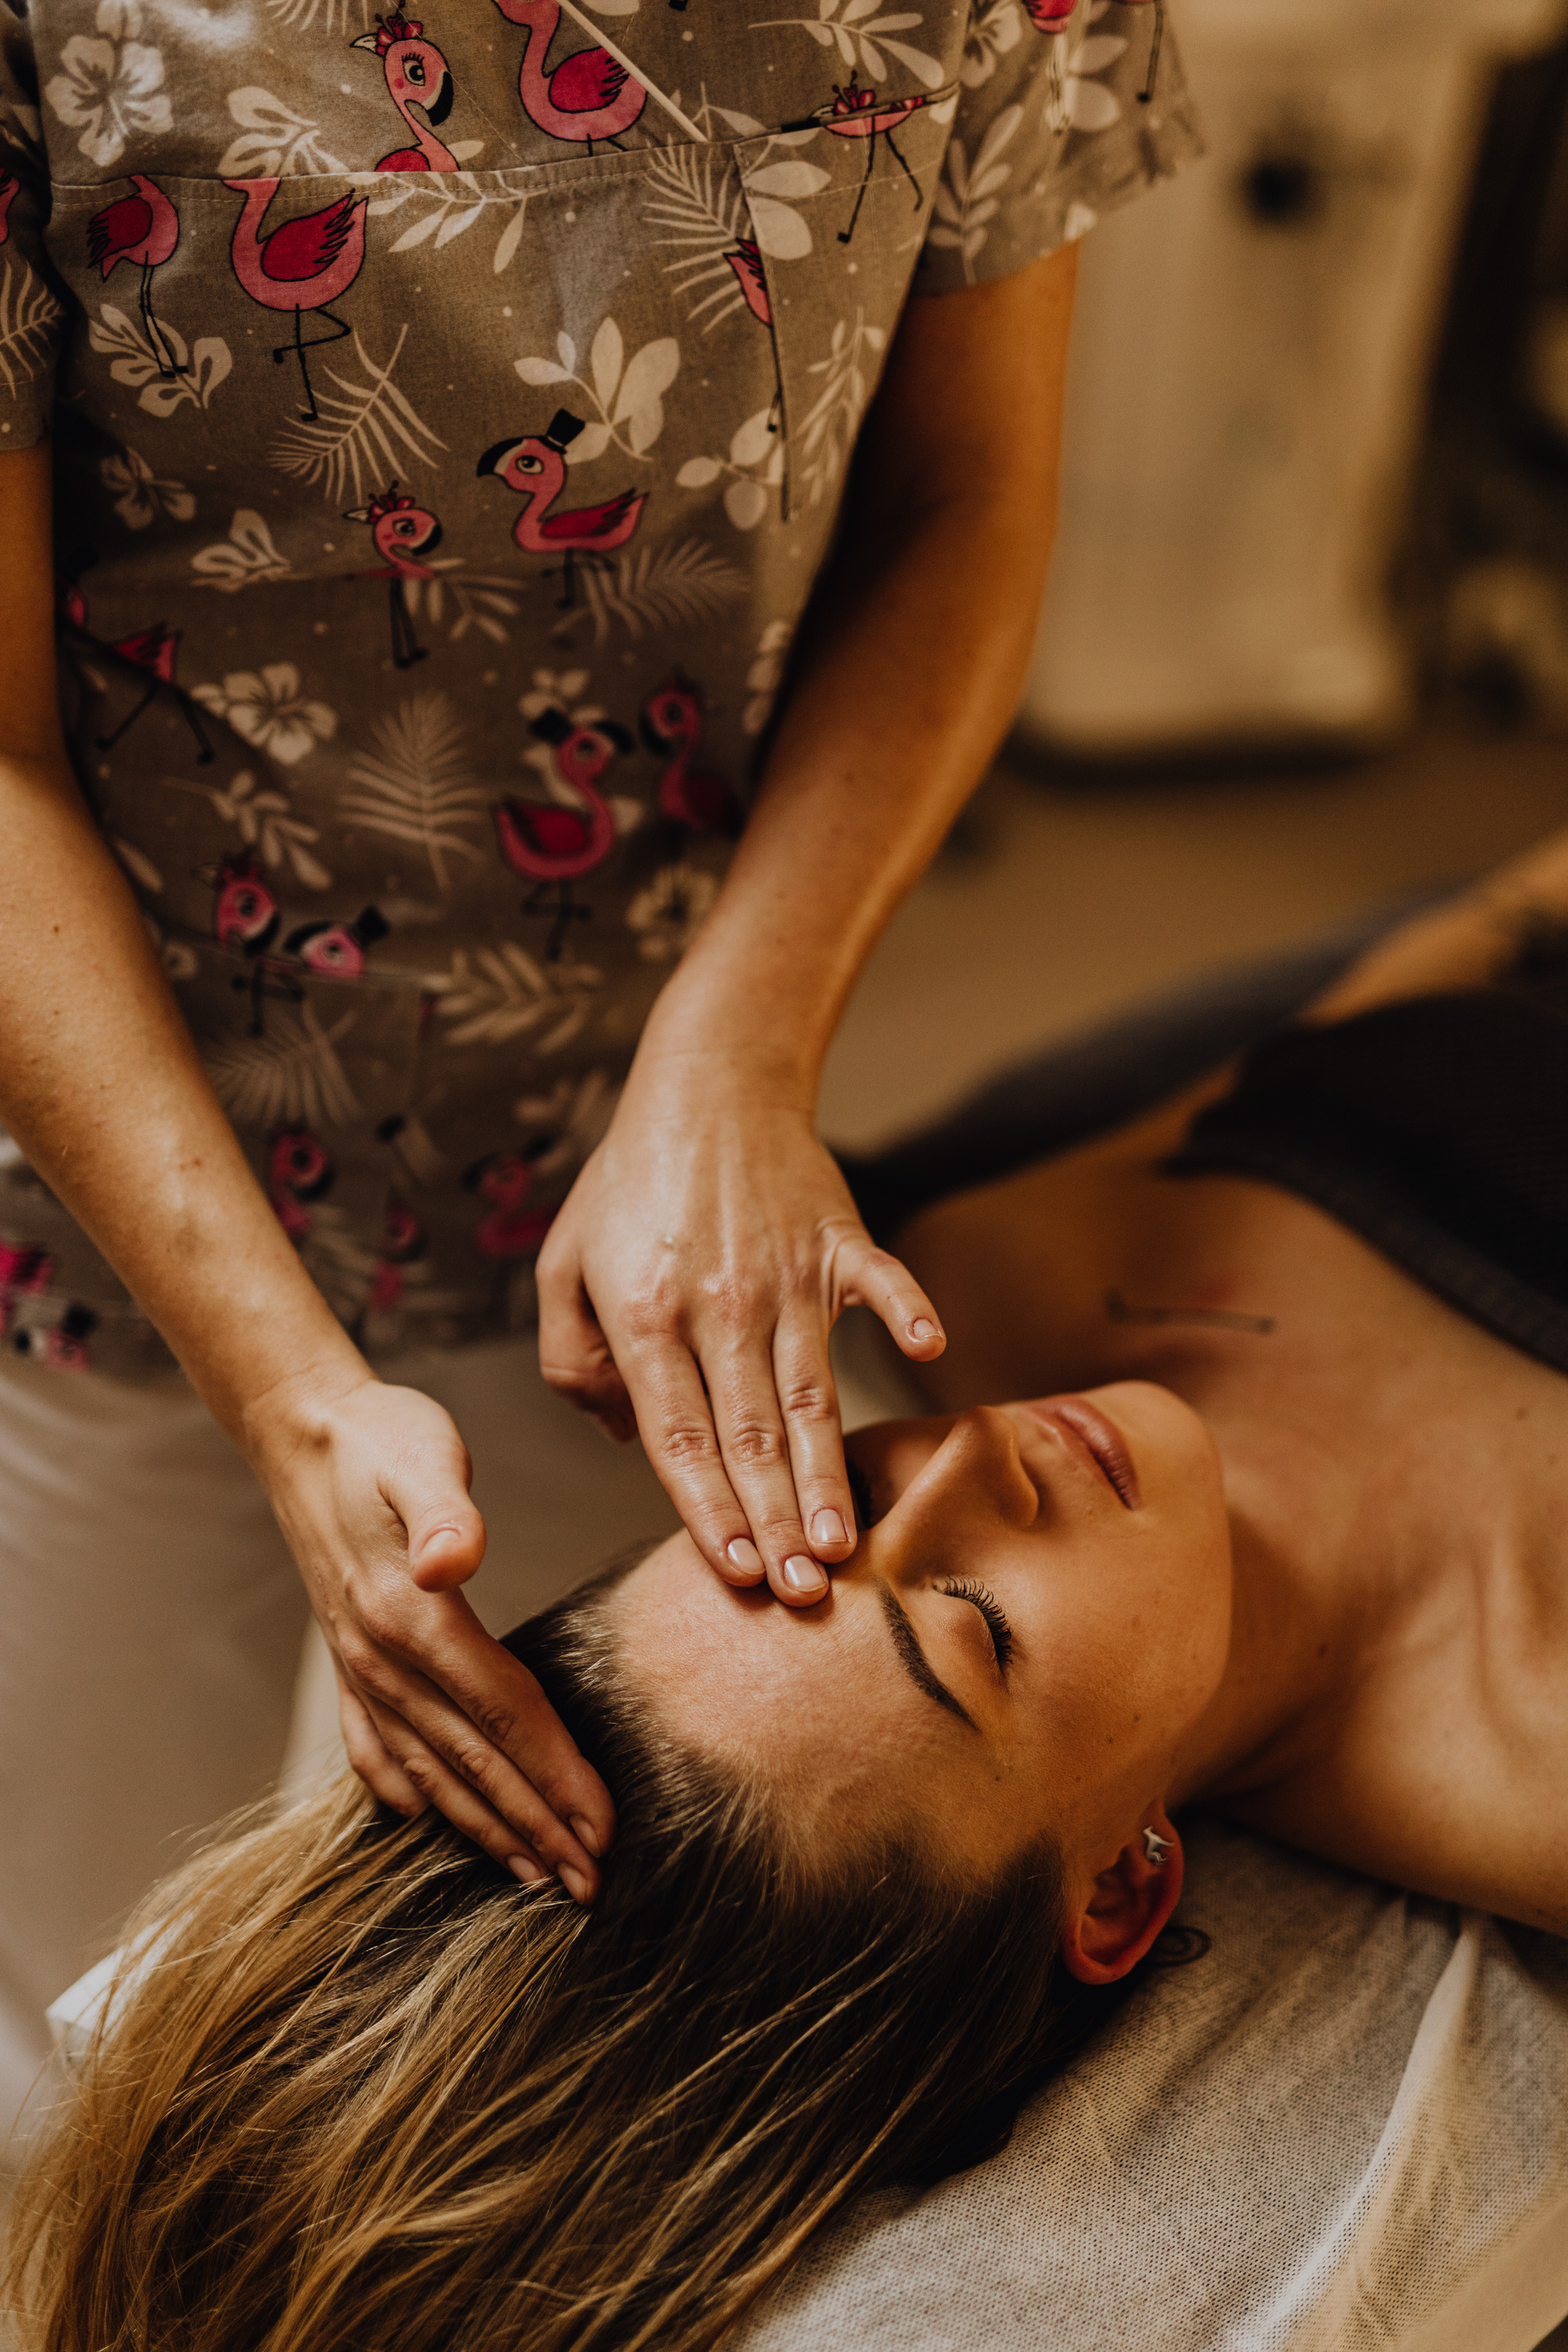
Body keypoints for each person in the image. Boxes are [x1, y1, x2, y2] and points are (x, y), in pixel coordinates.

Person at [0, 0, 1203, 2126]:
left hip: (649, 1206)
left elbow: (969, 501)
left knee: (672, 2020)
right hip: (88, 1186)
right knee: (53, 2020)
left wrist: (739, 1049)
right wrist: (284, 1394)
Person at [9, 818, 1568, 2351]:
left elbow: (1475, 937)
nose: (961, 1463)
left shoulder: (974, 1257)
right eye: (970, 1630)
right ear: (1115, 1888)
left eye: (834, 1508)